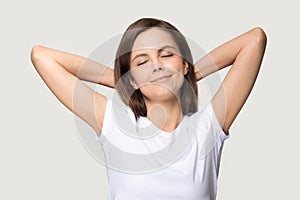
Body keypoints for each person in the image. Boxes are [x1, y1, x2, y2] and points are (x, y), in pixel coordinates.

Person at [30, 18, 267, 200]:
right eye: (142, 62)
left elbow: (254, 40)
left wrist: (188, 76)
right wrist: (124, 82)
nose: (156, 66)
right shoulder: (114, 124)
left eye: (166, 55)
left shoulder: (207, 128)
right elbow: (42, 57)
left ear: (184, 64)